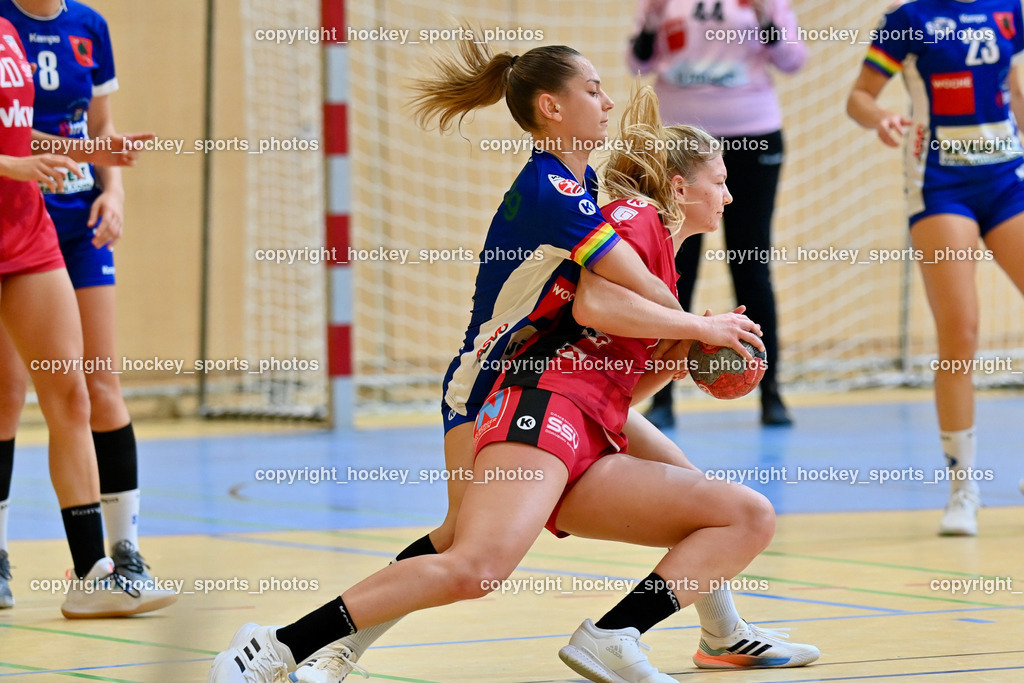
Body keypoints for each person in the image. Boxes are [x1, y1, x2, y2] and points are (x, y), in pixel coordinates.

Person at [209, 76, 818, 682]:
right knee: (468, 556)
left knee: (719, 509)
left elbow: (622, 386)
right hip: (515, 388)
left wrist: (683, 351)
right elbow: (594, 310)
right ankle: (290, 645)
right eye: (721, 183)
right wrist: (696, 330)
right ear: (680, 187)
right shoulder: (631, 218)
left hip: (578, 404)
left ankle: (710, 633)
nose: (731, 198)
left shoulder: (656, 258)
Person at [0, 13, 174, 617]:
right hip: (18, 199)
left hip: (38, 229)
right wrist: (12, 164)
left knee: (79, 391)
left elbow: (24, 132)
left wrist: (97, 163)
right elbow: (15, 145)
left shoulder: (80, 26)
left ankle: (101, 566)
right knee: (4, 395)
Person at [847, 2, 1024, 536]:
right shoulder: (909, 18)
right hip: (942, 183)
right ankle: (963, 488)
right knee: (960, 329)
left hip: (1007, 177)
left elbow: (1013, 84)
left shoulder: (1008, 10)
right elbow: (858, 97)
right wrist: (882, 118)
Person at [628, 0, 806, 427]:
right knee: (673, 265)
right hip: (679, 145)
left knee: (750, 263)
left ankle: (770, 390)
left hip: (752, 136)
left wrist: (766, 14)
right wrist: (652, 18)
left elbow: (792, 59)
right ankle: (661, 393)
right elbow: (637, 59)